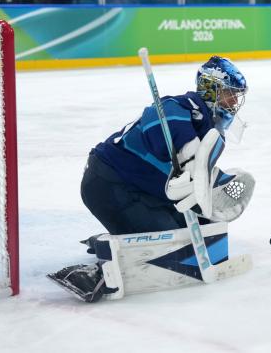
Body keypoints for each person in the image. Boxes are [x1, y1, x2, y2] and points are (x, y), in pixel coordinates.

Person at [48, 56, 255, 301]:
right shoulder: (179, 106)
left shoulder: (212, 130)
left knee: (205, 233)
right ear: (210, 88)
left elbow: (191, 176)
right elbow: (168, 134)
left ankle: (121, 235)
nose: (233, 102)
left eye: (236, 95)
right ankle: (101, 270)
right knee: (170, 245)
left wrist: (216, 185)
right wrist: (188, 155)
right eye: (228, 93)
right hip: (110, 184)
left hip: (145, 190)